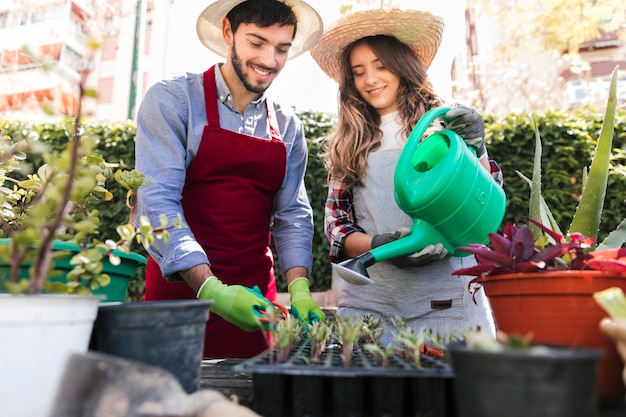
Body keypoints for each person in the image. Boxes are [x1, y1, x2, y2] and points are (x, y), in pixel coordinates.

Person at [134, 0, 326, 359]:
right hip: (178, 304)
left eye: (281, 48)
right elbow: (156, 205)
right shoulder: (174, 101)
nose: (270, 60)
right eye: (257, 43)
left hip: (254, 310)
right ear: (228, 32)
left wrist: (299, 287)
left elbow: (292, 216)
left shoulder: (287, 127)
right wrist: (211, 289)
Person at [310, 8, 503, 345]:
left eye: (381, 66)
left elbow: (484, 205)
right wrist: (378, 245)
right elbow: (336, 226)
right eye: (358, 72)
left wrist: (475, 146)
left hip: (445, 302)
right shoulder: (348, 142)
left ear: (402, 66)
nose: (370, 79)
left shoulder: (441, 130)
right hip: (372, 306)